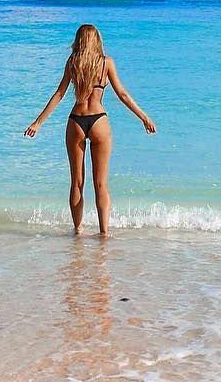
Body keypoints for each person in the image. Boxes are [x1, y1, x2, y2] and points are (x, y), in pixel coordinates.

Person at [24, 24, 156, 236]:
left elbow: (59, 94)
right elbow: (122, 94)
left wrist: (38, 123)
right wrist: (144, 117)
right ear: (97, 41)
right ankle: (104, 233)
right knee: (101, 184)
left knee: (77, 182)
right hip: (99, 121)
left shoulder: (73, 62)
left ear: (79, 41)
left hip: (76, 121)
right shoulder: (106, 63)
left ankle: (78, 230)